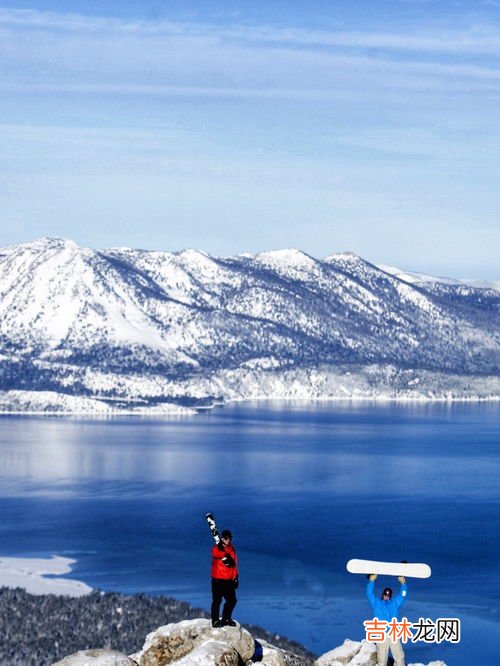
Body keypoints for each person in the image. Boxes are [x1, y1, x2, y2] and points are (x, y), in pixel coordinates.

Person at [366, 574, 408, 666]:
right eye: (385, 594)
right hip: (382, 633)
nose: (387, 596)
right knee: (382, 659)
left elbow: (403, 595)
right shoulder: (376, 603)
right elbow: (369, 594)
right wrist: (372, 581)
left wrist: (403, 583)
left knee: (399, 656)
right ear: (383, 594)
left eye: (389, 595)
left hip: (393, 633)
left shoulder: (394, 603)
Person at [211, 529, 239, 627]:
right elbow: (214, 553)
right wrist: (224, 555)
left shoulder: (232, 549)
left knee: (232, 600)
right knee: (217, 601)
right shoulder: (217, 548)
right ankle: (215, 621)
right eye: (226, 538)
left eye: (229, 538)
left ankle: (225, 619)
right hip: (218, 580)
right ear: (222, 538)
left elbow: (234, 564)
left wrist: (235, 577)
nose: (228, 540)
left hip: (228, 581)